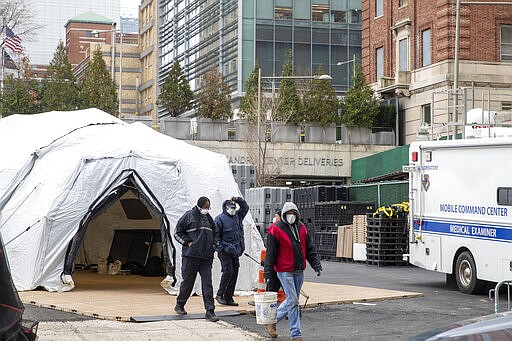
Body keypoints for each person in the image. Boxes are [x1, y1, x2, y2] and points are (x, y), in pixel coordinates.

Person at [264, 202, 322, 341]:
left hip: (298, 270)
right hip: (284, 271)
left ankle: (272, 321)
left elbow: (309, 248)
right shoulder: (275, 229)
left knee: (292, 301)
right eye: (289, 213)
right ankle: (296, 334)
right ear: (284, 214)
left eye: (294, 214)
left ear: (297, 214)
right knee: (293, 300)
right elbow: (270, 253)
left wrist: (316, 264)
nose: (291, 216)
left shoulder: (302, 228)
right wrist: (267, 272)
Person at [174, 196, 219, 322]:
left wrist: (214, 244)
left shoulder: (210, 220)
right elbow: (177, 233)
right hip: (191, 255)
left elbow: (215, 235)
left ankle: (210, 310)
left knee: (207, 283)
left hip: (206, 256)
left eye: (208, 208)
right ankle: (180, 304)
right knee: (188, 282)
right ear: (199, 206)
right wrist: (187, 242)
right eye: (205, 207)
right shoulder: (188, 216)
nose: (206, 209)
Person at [214, 196, 249, 306]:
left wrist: (238, 199)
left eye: (234, 207)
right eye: (231, 208)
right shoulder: (219, 219)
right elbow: (215, 236)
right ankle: (220, 294)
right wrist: (221, 248)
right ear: (225, 208)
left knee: (234, 273)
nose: (233, 210)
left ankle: (229, 297)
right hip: (225, 251)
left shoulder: (238, 216)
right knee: (228, 271)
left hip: (235, 251)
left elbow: (245, 207)